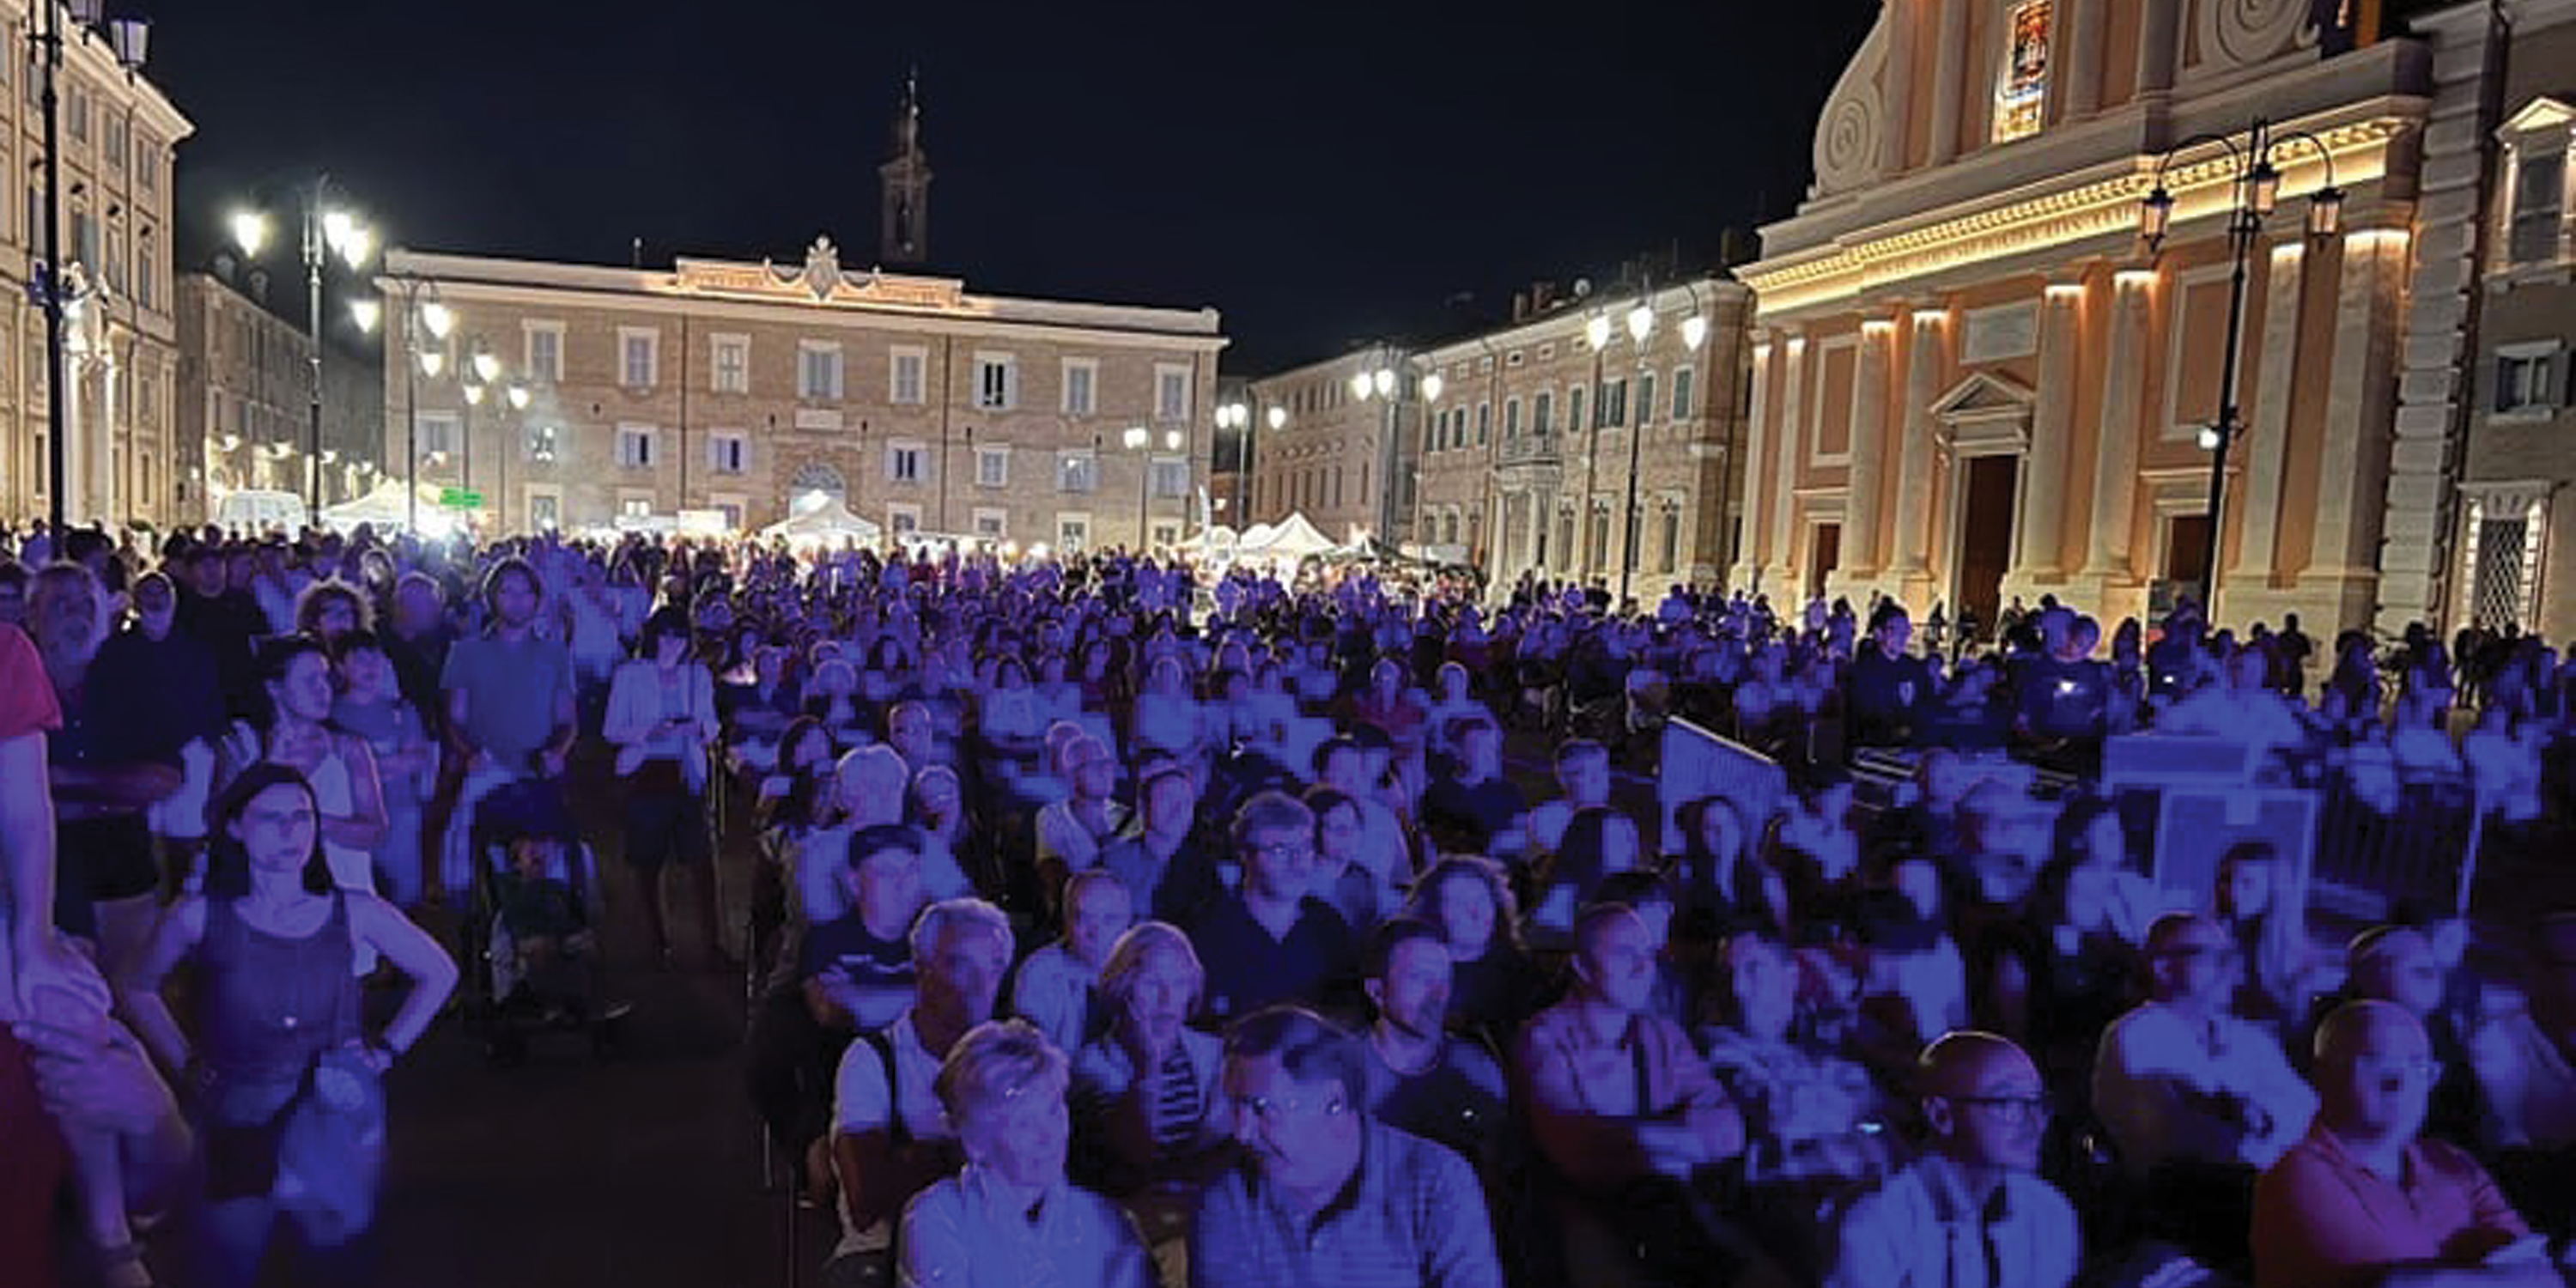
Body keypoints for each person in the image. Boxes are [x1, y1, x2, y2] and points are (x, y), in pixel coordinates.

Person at [115, 763, 459, 1288]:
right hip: (240, 1110)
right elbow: (138, 987)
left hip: (333, 1112)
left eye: (301, 817)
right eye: (271, 818)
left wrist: (384, 1053)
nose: (289, 832)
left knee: (337, 1265)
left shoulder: (353, 911)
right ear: (235, 827)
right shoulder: (200, 916)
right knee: (227, 1265)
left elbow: (439, 971)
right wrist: (185, 1061)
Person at [2251, 1000, 2566, 1288]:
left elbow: (2542, 1274)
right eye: (2376, 1063)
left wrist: (2443, 1280)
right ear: (2322, 1076)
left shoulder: (2451, 1161)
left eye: (2417, 1065)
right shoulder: (2295, 1177)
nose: (2400, 1083)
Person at [1190, 1005, 1504, 1288]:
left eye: (1261, 1108)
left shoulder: (1436, 1182)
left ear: (1334, 1101)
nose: (1241, 1133)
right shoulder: (1226, 1196)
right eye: (1234, 1106)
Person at [1517, 902, 1745, 1284]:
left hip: (1673, 1214)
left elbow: (1729, 1130)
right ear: (1582, 968)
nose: (1644, 969)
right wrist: (1677, 1145)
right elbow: (1578, 1153)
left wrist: (1635, 1140)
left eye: (1648, 955)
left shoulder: (1663, 1037)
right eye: (1625, 955)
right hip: (1576, 1223)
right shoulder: (1544, 1038)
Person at [2093, 911, 2318, 1267]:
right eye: (2216, 958)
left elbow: (2308, 1112)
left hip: (2263, 1193)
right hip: (2186, 1209)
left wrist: (2255, 1118)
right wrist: (2252, 1119)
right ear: (2164, 968)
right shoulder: (2138, 1035)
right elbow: (2177, 1137)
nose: (2232, 969)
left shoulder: (2247, 1038)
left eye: (2231, 957)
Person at [827, 898, 1013, 1279]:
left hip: (997, 1246)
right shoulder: (873, 1059)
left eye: (993, 966)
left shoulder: (1016, 1054)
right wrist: (979, 1153)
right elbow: (868, 1200)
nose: (980, 984)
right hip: (884, 1253)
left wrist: (916, 1157)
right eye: (961, 964)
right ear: (921, 969)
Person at [897, 1018, 1153, 1288]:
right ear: (977, 1140)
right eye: (1024, 1124)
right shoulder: (937, 1218)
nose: (1049, 1136)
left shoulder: (1108, 1222)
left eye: (1054, 1111)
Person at [1820, 1030, 2081, 1288]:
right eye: (2007, 1103)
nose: (2034, 1123)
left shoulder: (2049, 1213)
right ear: (1941, 1116)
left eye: (2039, 1104)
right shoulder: (1880, 1222)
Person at [1069, 920, 1230, 1251]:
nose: (1167, 998)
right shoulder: (1090, 1065)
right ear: (1122, 987)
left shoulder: (1213, 1054)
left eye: (1180, 982)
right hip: (1124, 1229)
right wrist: (1149, 1069)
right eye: (1152, 983)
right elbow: (1136, 1152)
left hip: (1203, 1219)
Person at [437, 557, 576, 903]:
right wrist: (470, 754)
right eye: (507, 591)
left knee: (548, 874)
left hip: (537, 776)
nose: (516, 600)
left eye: (524, 592)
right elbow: (454, 716)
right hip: (487, 775)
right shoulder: (465, 653)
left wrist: (556, 751)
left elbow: (567, 718)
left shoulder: (555, 655)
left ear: (536, 599)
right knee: (483, 872)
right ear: (492, 597)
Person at [603, 606, 726, 969]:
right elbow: (611, 729)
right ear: (653, 637)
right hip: (646, 774)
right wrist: (648, 733)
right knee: (648, 862)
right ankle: (658, 943)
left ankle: (713, 945)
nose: (672, 644)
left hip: (687, 774)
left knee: (702, 860)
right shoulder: (630, 675)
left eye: (679, 637)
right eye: (666, 636)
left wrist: (701, 729)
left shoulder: (697, 675)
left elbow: (712, 723)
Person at [1182, 792, 1357, 1024]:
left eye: (1305, 848)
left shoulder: (1329, 927)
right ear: (1245, 855)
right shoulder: (1208, 930)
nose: (1297, 864)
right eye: (1279, 851)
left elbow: (1346, 1016)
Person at [1357, 918, 1509, 1185]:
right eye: (1419, 977)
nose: (1437, 993)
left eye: (1444, 979)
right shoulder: (1340, 1069)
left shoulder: (1476, 1069)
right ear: (1377, 991)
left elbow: (1497, 1174)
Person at [1011, 870, 1133, 1057]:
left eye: (1109, 920)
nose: (1095, 933)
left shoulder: (1144, 968)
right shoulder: (1039, 971)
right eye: (1084, 918)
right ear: (1066, 920)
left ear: (1128, 922)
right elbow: (1030, 1054)